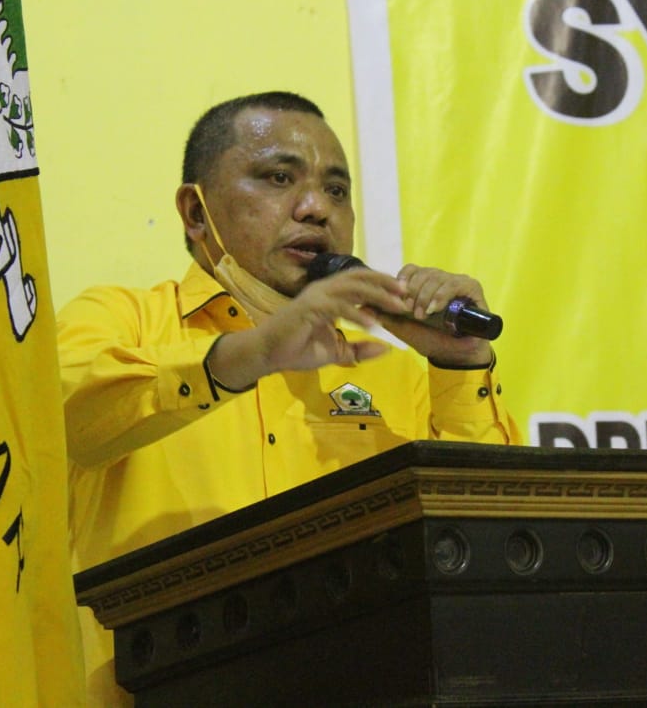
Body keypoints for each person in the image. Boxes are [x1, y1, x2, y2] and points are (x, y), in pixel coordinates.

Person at [57, 90, 519, 704]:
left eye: (337, 190)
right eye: (279, 178)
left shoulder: (394, 374)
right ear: (196, 212)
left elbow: (492, 547)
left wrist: (459, 362)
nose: (316, 209)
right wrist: (256, 352)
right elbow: (68, 422)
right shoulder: (122, 322)